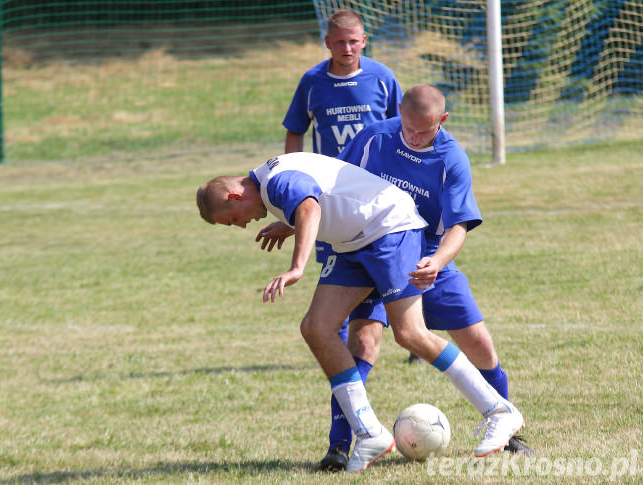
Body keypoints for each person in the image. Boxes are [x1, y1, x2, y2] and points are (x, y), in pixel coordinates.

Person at [196, 152, 525, 473]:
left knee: (409, 333)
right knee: (316, 327)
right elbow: (326, 195)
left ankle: (498, 410)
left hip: (389, 229)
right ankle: (370, 433)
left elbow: (309, 207)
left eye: (233, 220)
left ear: (234, 196)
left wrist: (297, 267)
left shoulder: (276, 181)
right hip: (353, 242)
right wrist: (289, 223)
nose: (241, 225)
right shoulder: (271, 181)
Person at [322, 84, 536, 466]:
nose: (415, 137)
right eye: (409, 127)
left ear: (443, 121)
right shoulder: (375, 137)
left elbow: (459, 225)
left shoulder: (451, 158)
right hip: (371, 253)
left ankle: (507, 431)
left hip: (426, 259)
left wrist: (436, 263)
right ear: (399, 110)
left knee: (481, 346)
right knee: (363, 342)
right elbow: (334, 183)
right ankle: (339, 445)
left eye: (425, 131)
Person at [282, 11, 403, 470]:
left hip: (377, 210)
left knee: (365, 336)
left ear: (364, 41)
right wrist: (293, 183)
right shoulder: (312, 83)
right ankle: (346, 438)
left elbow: (401, 132)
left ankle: (342, 439)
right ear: (326, 41)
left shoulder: (383, 78)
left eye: (355, 42)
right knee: (334, 330)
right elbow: (294, 130)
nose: (348, 49)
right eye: (340, 43)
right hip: (329, 214)